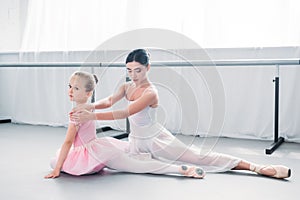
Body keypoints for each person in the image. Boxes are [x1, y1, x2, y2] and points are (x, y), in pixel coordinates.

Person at [71, 49, 291, 179]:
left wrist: (91, 116)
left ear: (148, 68)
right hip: (137, 141)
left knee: (199, 156)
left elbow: (126, 112)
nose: (133, 75)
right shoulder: (126, 87)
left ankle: (256, 167)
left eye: (138, 70)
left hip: (156, 139)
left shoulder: (151, 92)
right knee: (130, 166)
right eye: (129, 70)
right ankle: (184, 170)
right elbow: (109, 101)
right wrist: (90, 106)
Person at [45, 71, 205, 179]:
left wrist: (57, 169)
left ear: (88, 94)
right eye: (69, 86)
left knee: (55, 161)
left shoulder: (76, 113)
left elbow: (68, 142)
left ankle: (179, 169)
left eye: (76, 88)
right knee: (133, 165)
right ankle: (177, 168)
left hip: (93, 155)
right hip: (99, 149)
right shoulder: (88, 108)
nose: (71, 90)